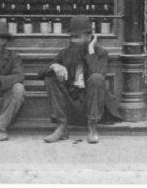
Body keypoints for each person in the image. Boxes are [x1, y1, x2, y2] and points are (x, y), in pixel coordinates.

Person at [42, 15, 121, 144]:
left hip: (91, 105)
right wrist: (54, 66)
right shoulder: (65, 53)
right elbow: (40, 73)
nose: (73, 41)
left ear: (89, 37)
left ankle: (92, 128)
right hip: (70, 104)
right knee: (50, 77)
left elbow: (99, 75)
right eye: (71, 37)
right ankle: (62, 127)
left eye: (77, 37)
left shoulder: (100, 53)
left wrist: (90, 52)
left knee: (96, 78)